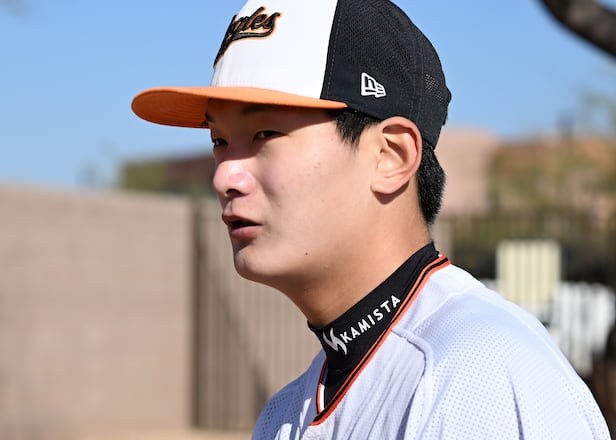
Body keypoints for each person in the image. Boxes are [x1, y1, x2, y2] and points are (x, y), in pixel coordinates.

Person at [132, 0, 610, 438]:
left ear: (390, 155)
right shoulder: (285, 412)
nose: (224, 176)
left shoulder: (478, 374)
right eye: (219, 141)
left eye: (264, 133)